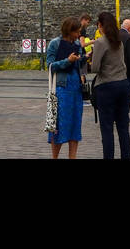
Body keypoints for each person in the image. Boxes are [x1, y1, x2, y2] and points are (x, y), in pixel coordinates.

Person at [87, 12, 130, 158]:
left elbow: (95, 68)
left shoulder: (101, 42)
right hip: (123, 85)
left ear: (100, 25)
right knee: (123, 128)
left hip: (106, 86)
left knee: (107, 129)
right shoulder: (118, 40)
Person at [46, 16, 84, 159]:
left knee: (75, 124)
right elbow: (49, 66)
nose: (79, 35)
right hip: (61, 89)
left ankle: (72, 157)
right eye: (77, 32)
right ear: (70, 30)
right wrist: (67, 61)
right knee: (59, 125)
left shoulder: (77, 44)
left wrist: (82, 61)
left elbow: (79, 65)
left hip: (76, 89)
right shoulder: (55, 44)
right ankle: (54, 157)